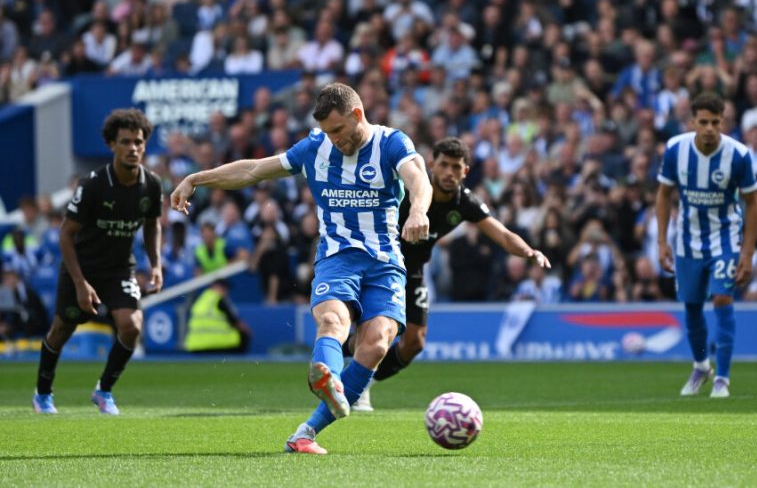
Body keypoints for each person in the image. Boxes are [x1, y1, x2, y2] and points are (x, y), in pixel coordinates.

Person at [170, 83, 432, 454]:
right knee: (333, 321)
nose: (334, 139)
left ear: (357, 115)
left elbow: (418, 178)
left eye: (338, 129)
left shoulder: (391, 143)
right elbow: (253, 170)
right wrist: (196, 178)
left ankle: (305, 433)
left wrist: (418, 210)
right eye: (328, 131)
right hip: (337, 257)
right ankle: (328, 377)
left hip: (385, 261)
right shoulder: (315, 147)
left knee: (375, 344)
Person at [345, 137, 550, 411]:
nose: (449, 172)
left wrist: (529, 252)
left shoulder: (465, 202)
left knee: (414, 342)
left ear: (466, 171)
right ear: (431, 164)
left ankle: (363, 377)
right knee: (375, 332)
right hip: (379, 266)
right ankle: (348, 371)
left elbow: (502, 234)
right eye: (443, 165)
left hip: (413, 271)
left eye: (456, 167)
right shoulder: (410, 190)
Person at [32, 109, 163, 414]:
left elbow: (152, 224)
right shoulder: (93, 185)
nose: (133, 148)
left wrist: (156, 264)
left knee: (131, 327)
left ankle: (104, 390)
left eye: (138, 142)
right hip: (82, 267)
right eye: (125, 142)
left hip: (119, 269)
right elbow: (66, 235)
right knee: (61, 331)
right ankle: (43, 393)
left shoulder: (152, 184)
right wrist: (80, 284)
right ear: (112, 145)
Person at [656, 92, 757, 399]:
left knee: (722, 299)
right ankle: (702, 366)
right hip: (687, 241)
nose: (710, 128)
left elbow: (753, 202)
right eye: (704, 122)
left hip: (725, 238)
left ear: (723, 123)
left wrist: (747, 253)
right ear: (693, 123)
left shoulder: (738, 155)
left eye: (716, 122)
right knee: (692, 307)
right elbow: (663, 194)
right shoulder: (675, 149)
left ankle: (722, 379)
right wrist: (662, 242)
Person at [184, 279, 251, 353]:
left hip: (195, 345)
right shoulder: (219, 300)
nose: (227, 292)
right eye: (225, 289)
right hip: (218, 344)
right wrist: (247, 330)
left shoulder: (200, 299)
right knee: (244, 334)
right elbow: (235, 322)